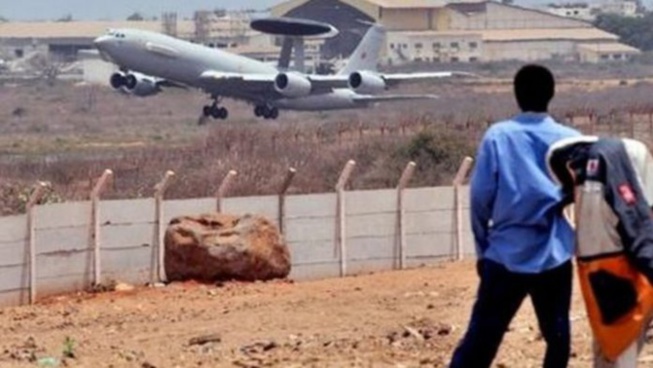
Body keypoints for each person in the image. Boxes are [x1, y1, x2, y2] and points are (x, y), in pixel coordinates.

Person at [449, 64, 581, 368]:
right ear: (551, 94)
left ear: (517, 95)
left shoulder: (499, 137)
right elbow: (583, 194)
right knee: (558, 340)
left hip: (506, 253)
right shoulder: (570, 140)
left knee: (480, 342)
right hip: (554, 253)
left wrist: (484, 250)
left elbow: (481, 198)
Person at [547, 136, 653, 368]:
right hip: (620, 272)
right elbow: (638, 225)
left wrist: (567, 188)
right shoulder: (621, 172)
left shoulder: (588, 172)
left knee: (607, 344)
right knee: (622, 344)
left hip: (595, 271)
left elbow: (555, 153)